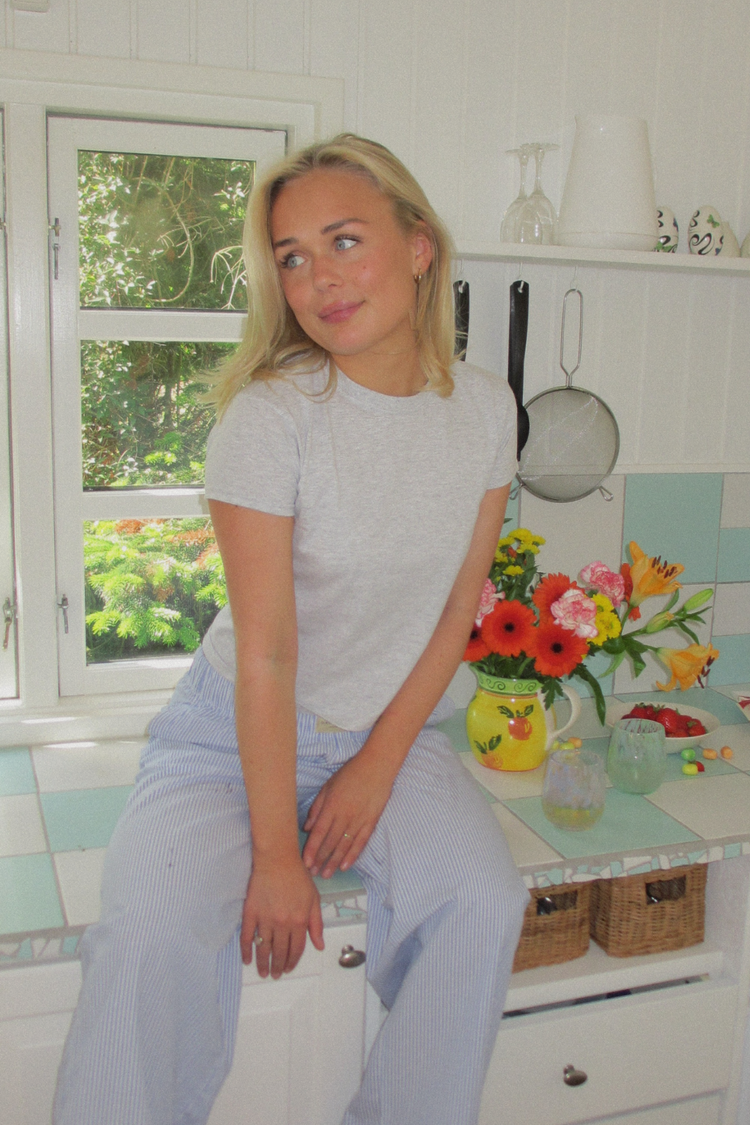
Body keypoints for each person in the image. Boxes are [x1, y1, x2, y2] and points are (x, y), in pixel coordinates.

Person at [53, 133, 529, 1125]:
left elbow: (457, 611)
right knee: (146, 939)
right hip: (230, 738)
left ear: (420, 247)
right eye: (293, 257)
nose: (319, 279)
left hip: (387, 730)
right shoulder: (272, 418)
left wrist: (375, 766)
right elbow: (265, 656)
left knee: (482, 899)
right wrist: (277, 853)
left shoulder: (486, 410)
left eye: (344, 240)